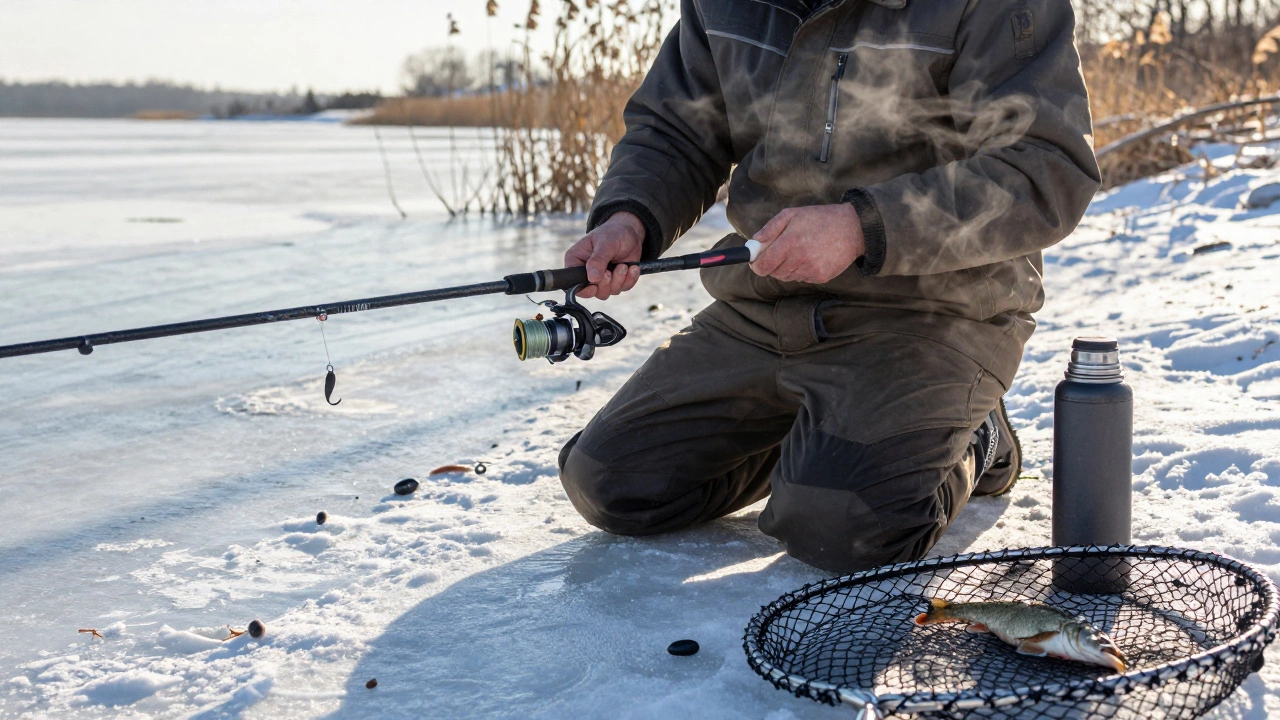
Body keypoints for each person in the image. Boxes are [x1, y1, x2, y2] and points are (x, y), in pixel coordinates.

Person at [557, 0, 1101, 574]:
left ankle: (979, 436)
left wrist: (862, 227)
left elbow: (1047, 169)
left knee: (843, 523)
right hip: (762, 304)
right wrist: (630, 218)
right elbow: (678, 129)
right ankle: (828, 434)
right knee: (609, 481)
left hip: (932, 313)